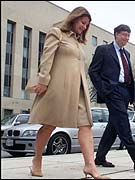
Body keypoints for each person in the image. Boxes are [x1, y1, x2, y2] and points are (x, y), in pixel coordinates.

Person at [28, 7, 107, 179]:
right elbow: (47, 57)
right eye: (82, 23)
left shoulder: (79, 43)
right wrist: (42, 80)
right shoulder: (57, 33)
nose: (84, 27)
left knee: (86, 124)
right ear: (74, 19)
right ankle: (37, 159)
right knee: (50, 124)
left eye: (87, 25)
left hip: (78, 89)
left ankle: (90, 166)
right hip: (58, 86)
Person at [88, 24, 135, 172]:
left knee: (114, 126)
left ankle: (100, 157)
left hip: (125, 91)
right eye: (123, 34)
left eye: (128, 35)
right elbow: (93, 71)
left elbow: (127, 74)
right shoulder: (103, 50)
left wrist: (131, 94)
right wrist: (103, 89)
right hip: (111, 90)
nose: (126, 38)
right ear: (115, 34)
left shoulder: (126, 53)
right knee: (122, 122)